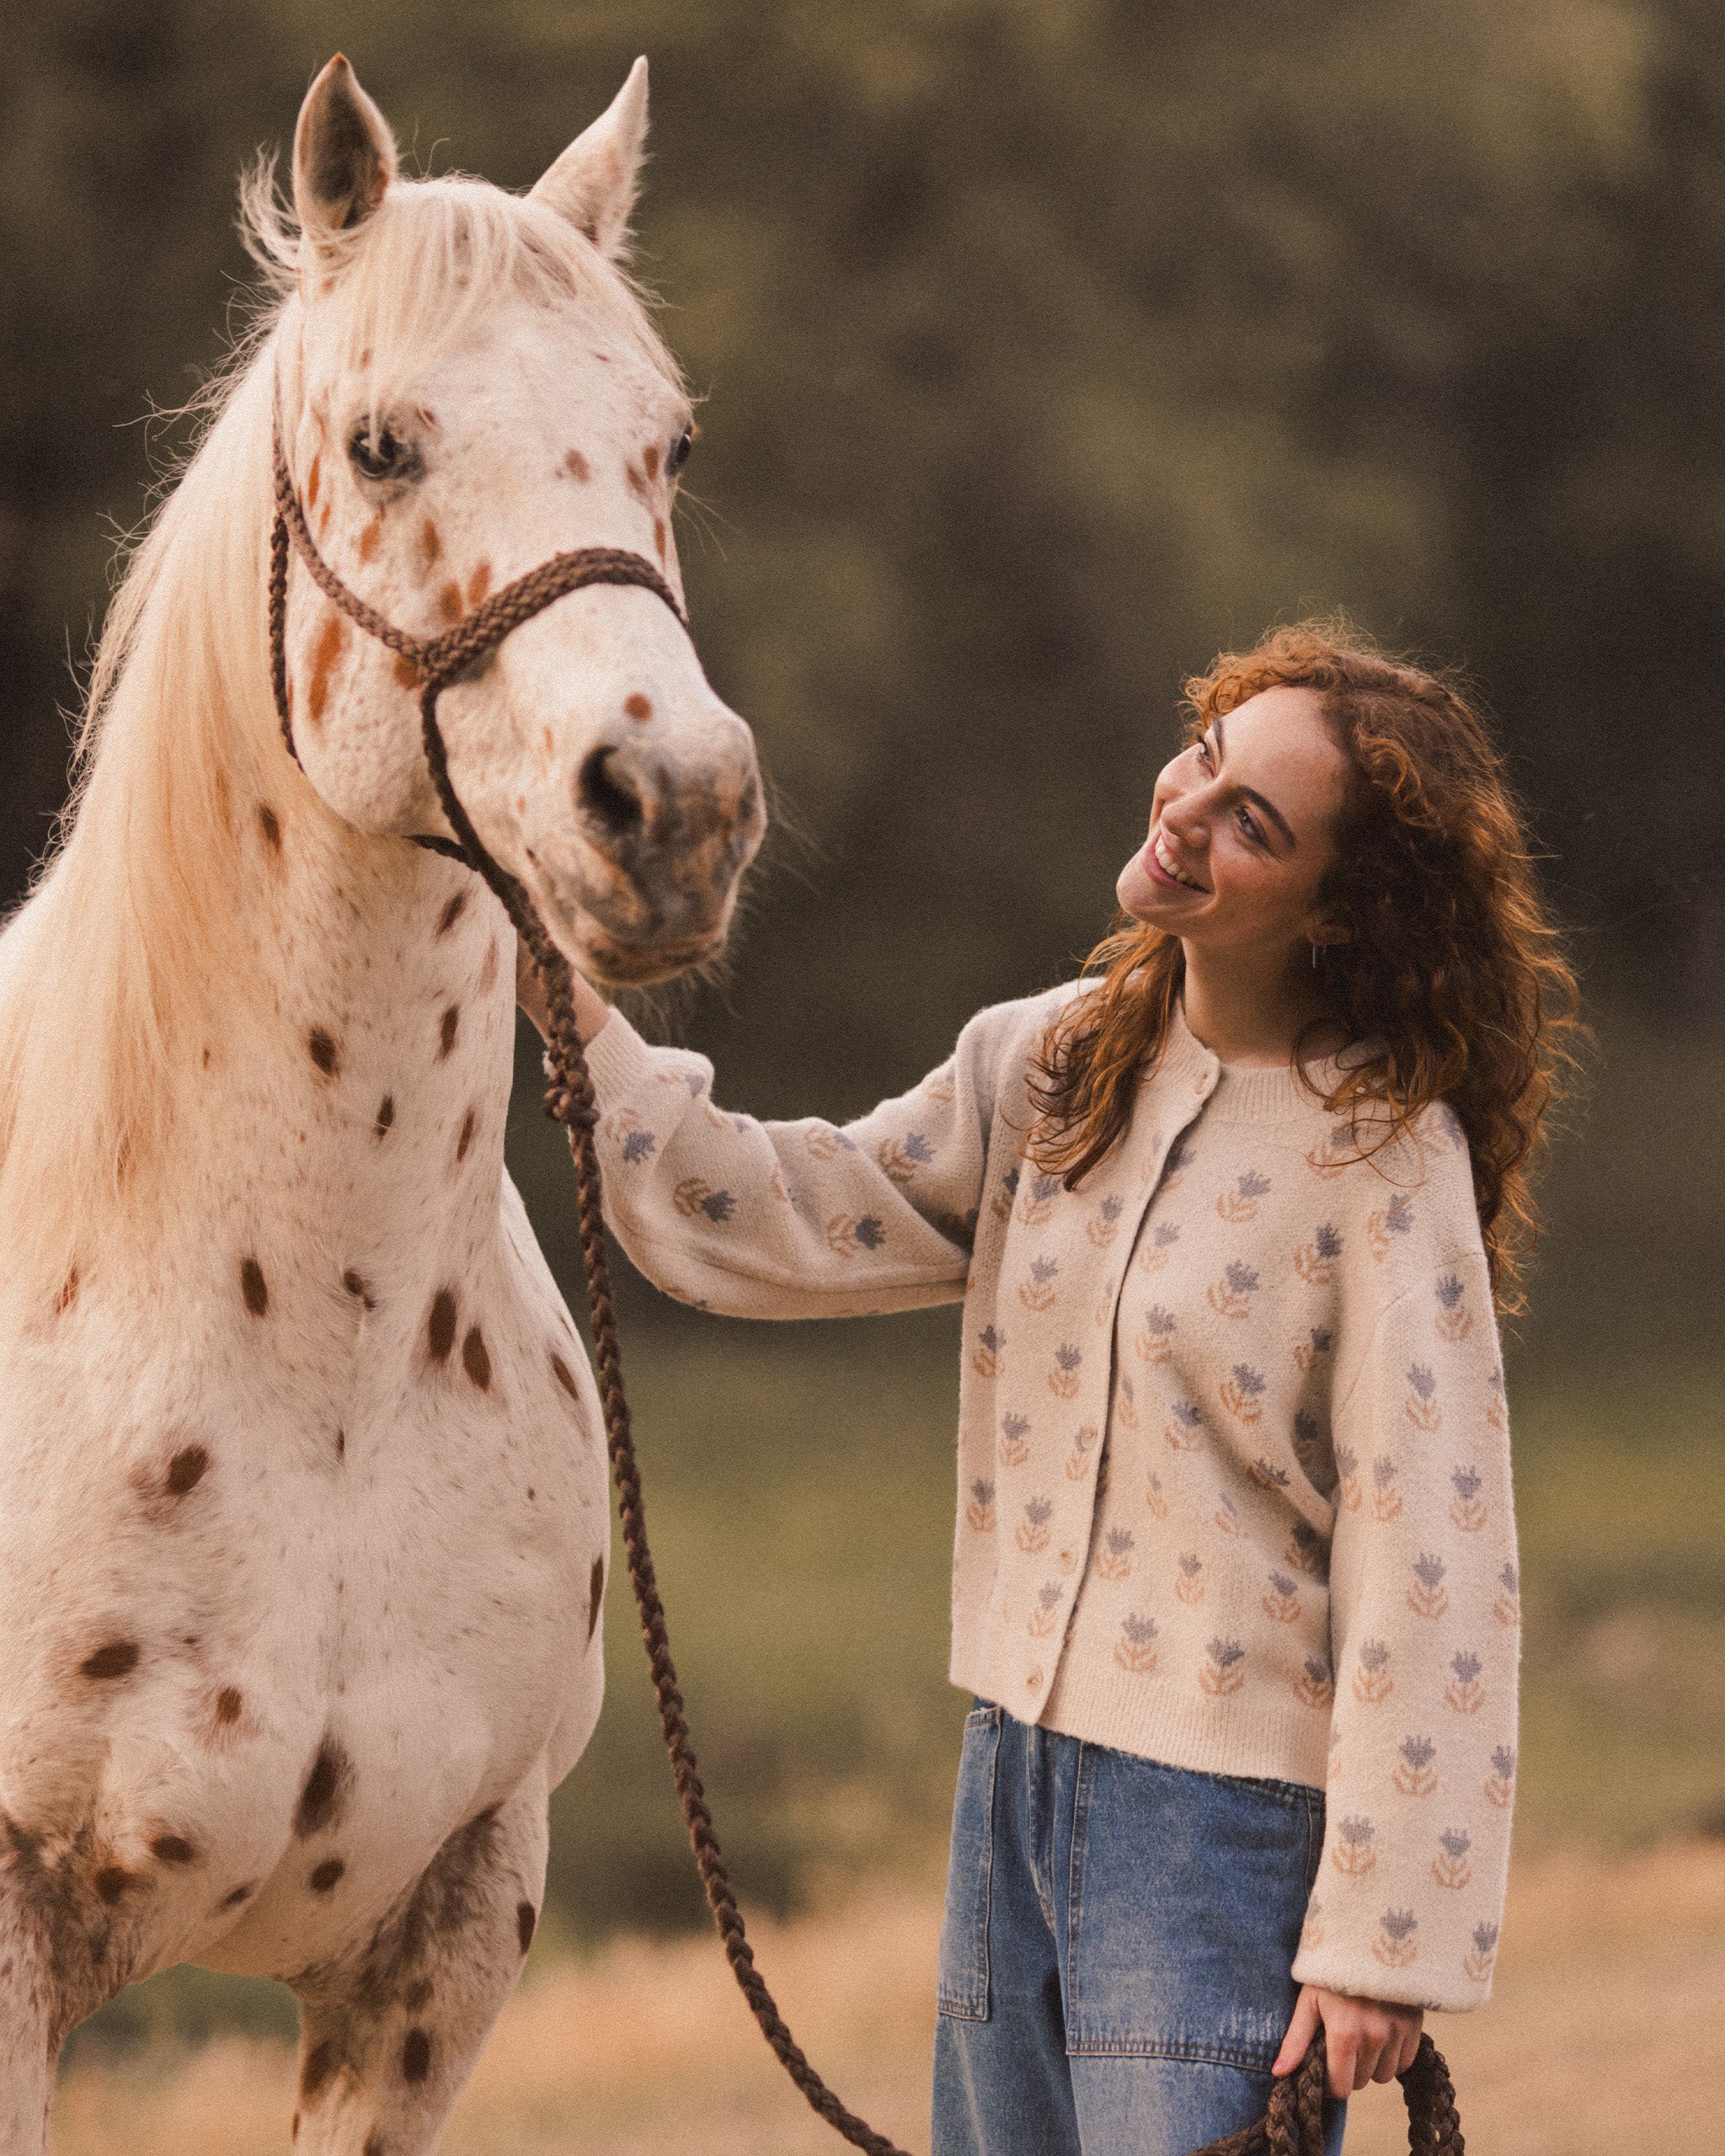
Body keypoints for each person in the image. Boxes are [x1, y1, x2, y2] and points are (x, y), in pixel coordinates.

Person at [521, 620, 1581, 2156]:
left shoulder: (1385, 1160)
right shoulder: (1051, 1064)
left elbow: (1439, 1558)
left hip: (1221, 1829)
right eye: (1205, 761)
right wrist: (575, 1015)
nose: (1187, 813)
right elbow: (790, 1212)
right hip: (1006, 1773)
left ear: (1342, 913)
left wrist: (1383, 1942)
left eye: (1253, 824)